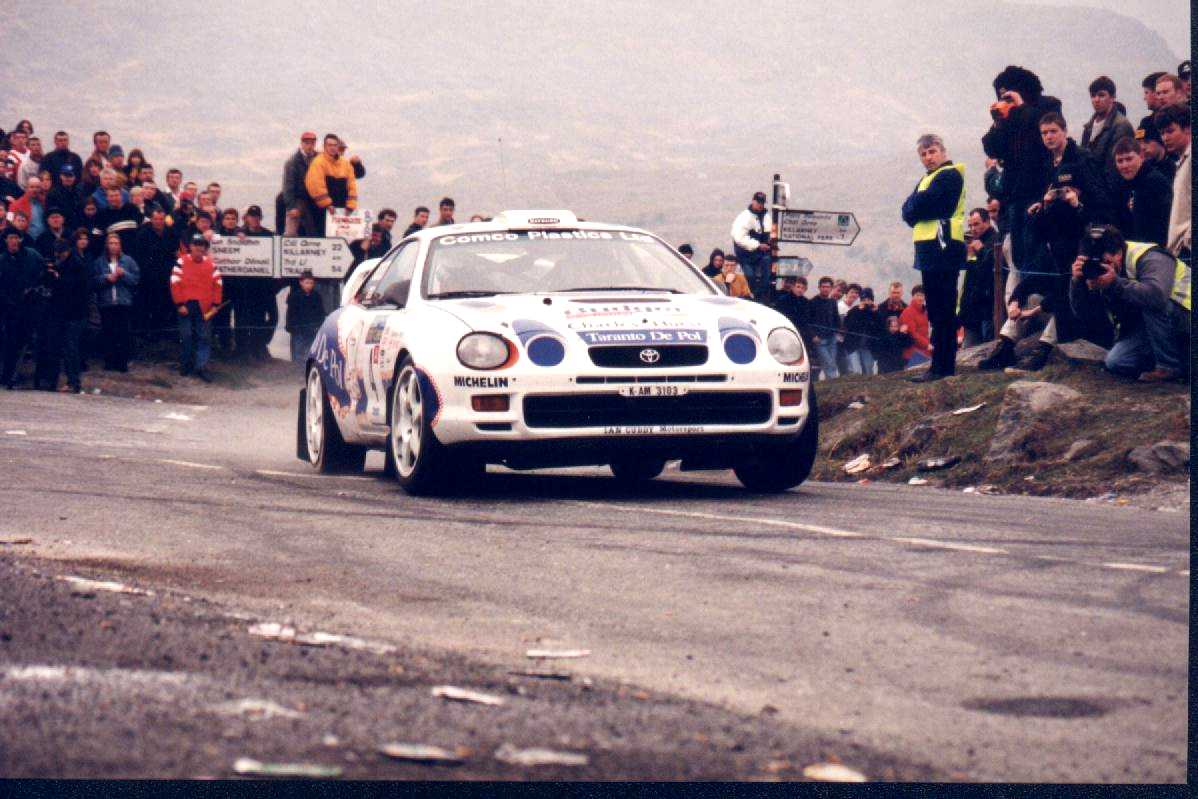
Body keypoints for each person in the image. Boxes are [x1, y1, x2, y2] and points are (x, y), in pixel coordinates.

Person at [1069, 226, 1188, 382]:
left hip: (1186, 315)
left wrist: (1114, 284)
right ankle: (1184, 361)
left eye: (1105, 261)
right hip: (1155, 327)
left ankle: (1168, 367)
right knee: (1117, 361)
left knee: (1151, 302)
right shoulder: (1097, 273)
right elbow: (1085, 315)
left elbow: (1157, 298)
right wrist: (1077, 282)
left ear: (1118, 253)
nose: (1099, 266)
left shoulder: (1151, 257)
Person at [982, 66, 1062, 279]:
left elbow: (1044, 134)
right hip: (1015, 195)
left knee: (1036, 252)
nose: (1004, 99)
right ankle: (1026, 295)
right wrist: (999, 122)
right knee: (1019, 255)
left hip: (1039, 190)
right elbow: (991, 148)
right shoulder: (1007, 117)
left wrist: (1021, 107)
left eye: (1008, 94)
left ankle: (1039, 296)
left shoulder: (1048, 105)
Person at [901, 133, 965, 381]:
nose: (928, 158)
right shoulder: (928, 179)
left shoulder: (949, 175)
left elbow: (926, 205)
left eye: (932, 152)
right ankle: (939, 365)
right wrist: (915, 204)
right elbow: (908, 211)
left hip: (943, 248)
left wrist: (915, 204)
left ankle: (943, 367)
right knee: (936, 311)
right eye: (924, 154)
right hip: (929, 251)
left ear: (943, 152)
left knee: (944, 311)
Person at [36, 239, 90, 392]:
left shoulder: (76, 265)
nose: (59, 256)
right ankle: (59, 380)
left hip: (74, 313)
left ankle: (73, 381)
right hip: (62, 312)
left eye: (61, 253)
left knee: (70, 348)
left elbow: (73, 287)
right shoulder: (62, 264)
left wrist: (58, 278)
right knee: (60, 346)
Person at [171, 234, 223, 382]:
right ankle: (186, 364)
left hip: (205, 306)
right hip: (186, 305)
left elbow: (218, 284)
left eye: (202, 245)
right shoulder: (181, 262)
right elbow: (174, 283)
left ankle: (201, 367)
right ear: (191, 246)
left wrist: (215, 304)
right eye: (196, 244)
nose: (199, 248)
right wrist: (179, 304)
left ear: (205, 248)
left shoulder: (211, 264)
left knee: (204, 337)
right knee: (186, 336)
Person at [0, 228, 44, 388]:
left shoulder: (31, 255)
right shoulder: (2, 260)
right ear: (5, 240)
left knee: (26, 342)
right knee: (9, 343)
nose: (13, 241)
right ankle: (7, 376)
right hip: (9, 309)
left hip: (29, 306)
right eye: (10, 238)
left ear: (20, 239)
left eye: (16, 237)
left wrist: (34, 290)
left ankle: (18, 376)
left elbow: (42, 272)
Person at [91, 232, 139, 372]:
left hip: (123, 301)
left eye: (116, 243)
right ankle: (109, 362)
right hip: (106, 302)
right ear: (106, 245)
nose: (113, 246)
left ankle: (122, 362)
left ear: (120, 245)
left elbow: (136, 279)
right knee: (108, 332)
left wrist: (124, 274)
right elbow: (93, 281)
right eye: (111, 243)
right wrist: (106, 278)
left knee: (123, 333)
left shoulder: (128, 261)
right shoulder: (99, 262)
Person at [1111, 138, 1172, 247]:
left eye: (1129, 159)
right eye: (1120, 161)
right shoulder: (1120, 184)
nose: (1124, 165)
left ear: (1141, 157)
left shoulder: (1155, 183)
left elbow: (1163, 226)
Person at [132, 207, 179, 340]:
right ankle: (149, 336)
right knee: (148, 305)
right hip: (148, 277)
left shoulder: (171, 232)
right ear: (151, 219)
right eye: (156, 219)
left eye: (161, 219)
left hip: (166, 276)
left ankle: (163, 335)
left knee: (165, 305)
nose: (158, 222)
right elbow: (139, 256)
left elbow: (175, 252)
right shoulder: (143, 233)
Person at [240, 205, 280, 361]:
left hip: (266, 286)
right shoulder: (241, 233)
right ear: (247, 218)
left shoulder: (269, 235)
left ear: (260, 218)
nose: (254, 219)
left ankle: (262, 344)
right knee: (254, 318)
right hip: (249, 286)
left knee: (273, 317)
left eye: (257, 216)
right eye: (252, 216)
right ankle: (256, 349)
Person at [1080, 76, 1134, 181]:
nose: (1096, 100)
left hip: (1109, 187)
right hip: (1090, 184)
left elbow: (1114, 168)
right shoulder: (1088, 127)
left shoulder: (1121, 126)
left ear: (1113, 97)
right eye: (1093, 96)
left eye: (1101, 95)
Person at [1155, 104, 1191, 265]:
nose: (1165, 138)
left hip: (1187, 250)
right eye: (1162, 133)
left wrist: (1187, 240)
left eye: (1170, 131)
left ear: (1187, 128)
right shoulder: (1182, 161)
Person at [304, 134, 358, 237]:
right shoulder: (318, 162)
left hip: (341, 209)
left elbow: (352, 186)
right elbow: (315, 185)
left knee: (340, 238)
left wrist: (351, 205)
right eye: (329, 145)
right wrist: (327, 204)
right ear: (324, 146)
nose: (332, 148)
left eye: (335, 145)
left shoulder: (346, 164)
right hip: (321, 209)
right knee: (321, 236)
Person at [960, 207, 1000, 346]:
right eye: (970, 225)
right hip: (972, 310)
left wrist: (981, 251)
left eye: (976, 224)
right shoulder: (972, 242)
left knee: (987, 346)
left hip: (986, 309)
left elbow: (990, 271)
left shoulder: (995, 241)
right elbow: (969, 279)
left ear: (987, 222)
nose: (973, 229)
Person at [730, 190, 773, 301]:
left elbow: (768, 235)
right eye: (758, 202)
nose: (760, 205)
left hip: (760, 254)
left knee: (767, 271)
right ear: (753, 201)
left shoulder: (766, 217)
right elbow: (739, 238)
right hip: (745, 254)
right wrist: (758, 245)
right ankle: (751, 296)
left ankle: (760, 296)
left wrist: (770, 244)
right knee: (750, 276)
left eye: (762, 202)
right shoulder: (744, 217)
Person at [282, 131, 319, 236]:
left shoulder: (320, 159)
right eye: (307, 143)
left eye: (312, 143)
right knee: (291, 230)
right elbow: (288, 187)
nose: (310, 146)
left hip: (316, 199)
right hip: (299, 199)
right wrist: (291, 207)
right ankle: (288, 241)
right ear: (301, 144)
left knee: (314, 231)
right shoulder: (292, 162)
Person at [285, 269, 325, 363]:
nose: (309, 285)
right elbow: (290, 314)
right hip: (298, 331)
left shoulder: (316, 296)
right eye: (306, 283)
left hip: (312, 331)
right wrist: (291, 327)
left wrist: (318, 326)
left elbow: (321, 313)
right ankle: (296, 370)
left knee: (310, 353)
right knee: (297, 354)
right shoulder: (294, 296)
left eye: (311, 283)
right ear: (301, 283)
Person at [807, 276, 840, 379]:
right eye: (823, 287)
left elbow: (836, 318)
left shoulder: (833, 302)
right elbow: (808, 321)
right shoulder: (812, 302)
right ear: (819, 287)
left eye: (828, 287)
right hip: (819, 340)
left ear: (831, 288)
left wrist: (837, 332)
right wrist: (813, 336)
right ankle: (833, 383)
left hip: (832, 338)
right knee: (828, 363)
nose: (825, 289)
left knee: (832, 362)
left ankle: (830, 383)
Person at [844, 287, 880, 375]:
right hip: (853, 346)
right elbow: (848, 326)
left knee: (868, 369)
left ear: (872, 300)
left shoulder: (875, 312)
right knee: (856, 371)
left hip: (868, 346)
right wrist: (859, 311)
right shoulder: (854, 310)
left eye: (868, 300)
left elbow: (879, 328)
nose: (866, 302)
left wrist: (875, 313)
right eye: (864, 300)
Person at [773, 276, 813, 354]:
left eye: (802, 288)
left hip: (801, 333)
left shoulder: (806, 302)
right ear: (793, 287)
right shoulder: (783, 300)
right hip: (786, 331)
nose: (800, 290)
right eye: (798, 287)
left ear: (805, 289)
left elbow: (807, 320)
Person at [898, 285, 931, 368]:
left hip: (925, 352)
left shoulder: (925, 312)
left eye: (922, 295)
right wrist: (927, 344)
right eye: (917, 295)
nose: (920, 298)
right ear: (913, 296)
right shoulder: (907, 312)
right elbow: (912, 334)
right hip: (912, 354)